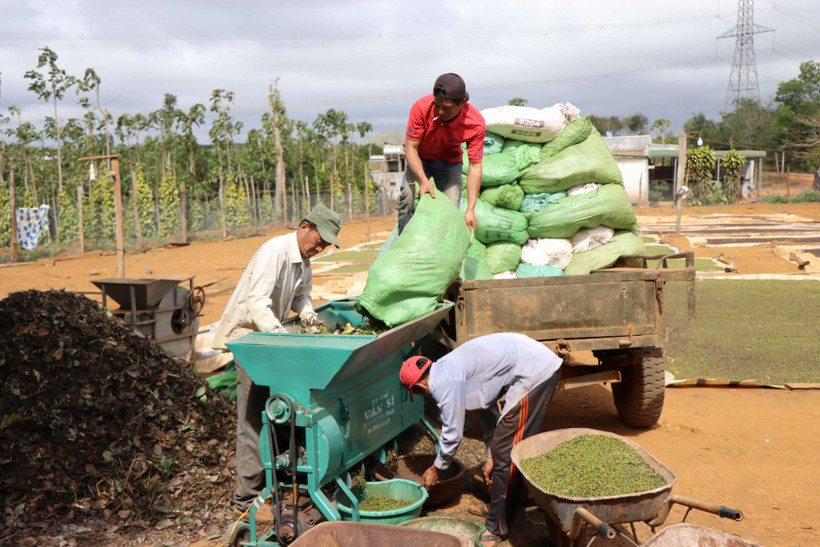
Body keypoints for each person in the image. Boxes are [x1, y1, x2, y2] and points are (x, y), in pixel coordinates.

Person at [212, 203, 343, 521]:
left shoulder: (303, 260)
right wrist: (280, 338)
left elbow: (302, 296)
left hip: (271, 341)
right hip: (251, 342)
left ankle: (281, 478)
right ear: (304, 226)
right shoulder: (276, 252)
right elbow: (256, 302)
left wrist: (309, 316)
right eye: (319, 240)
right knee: (252, 420)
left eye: (325, 244)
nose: (320, 247)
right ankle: (246, 498)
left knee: (282, 412)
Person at [400, 333, 562, 546]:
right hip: (531, 363)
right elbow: (487, 410)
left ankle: (497, 527)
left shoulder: (442, 383)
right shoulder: (447, 368)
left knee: (507, 450)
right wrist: (489, 456)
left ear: (419, 387)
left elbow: (452, 433)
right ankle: (501, 505)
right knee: (504, 448)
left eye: (419, 394)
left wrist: (436, 468)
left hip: (536, 372)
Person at [397, 73, 486, 234]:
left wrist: (471, 209)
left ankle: (441, 254)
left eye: (446, 108)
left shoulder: (475, 123)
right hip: (419, 158)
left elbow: (475, 166)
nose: (439, 111)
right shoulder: (421, 107)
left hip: (449, 162)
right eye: (437, 105)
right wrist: (423, 180)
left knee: (450, 210)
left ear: (463, 103)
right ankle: (403, 250)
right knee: (407, 200)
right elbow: (411, 148)